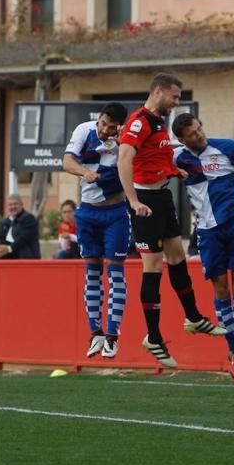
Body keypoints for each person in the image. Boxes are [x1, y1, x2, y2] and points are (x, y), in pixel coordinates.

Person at [118, 73, 226, 368]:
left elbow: (152, 156)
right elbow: (124, 158)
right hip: (146, 203)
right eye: (174, 96)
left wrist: (170, 170)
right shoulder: (139, 121)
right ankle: (153, 336)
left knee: (177, 256)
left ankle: (193, 317)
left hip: (162, 197)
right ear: (158, 93)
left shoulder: (157, 122)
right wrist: (134, 201)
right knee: (152, 266)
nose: (177, 101)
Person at [172, 112, 234, 381]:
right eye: (192, 134)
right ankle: (231, 347)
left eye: (199, 128)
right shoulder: (178, 157)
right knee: (220, 288)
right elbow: (144, 158)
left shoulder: (227, 147)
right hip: (208, 233)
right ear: (182, 140)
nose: (199, 134)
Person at [63, 102, 130, 358]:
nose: (105, 130)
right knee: (92, 272)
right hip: (87, 212)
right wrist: (84, 172)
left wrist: (124, 143)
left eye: (111, 128)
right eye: (103, 124)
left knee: (115, 272)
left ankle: (113, 335)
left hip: (115, 212)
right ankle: (96, 333)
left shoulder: (126, 141)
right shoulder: (85, 130)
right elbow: (67, 161)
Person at [0, 194, 41, 259]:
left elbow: (22, 239)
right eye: (10, 204)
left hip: (27, 259)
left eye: (15, 204)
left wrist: (8, 249)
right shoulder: (5, 222)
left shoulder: (29, 219)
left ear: (21, 204)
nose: (13, 207)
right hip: (9, 259)